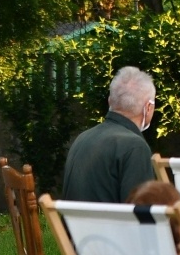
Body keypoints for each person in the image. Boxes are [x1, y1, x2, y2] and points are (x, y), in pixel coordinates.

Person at [60, 66, 158, 202]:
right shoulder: (135, 147)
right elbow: (141, 215)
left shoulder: (83, 138)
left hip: (73, 223)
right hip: (110, 224)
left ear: (110, 101)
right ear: (148, 107)